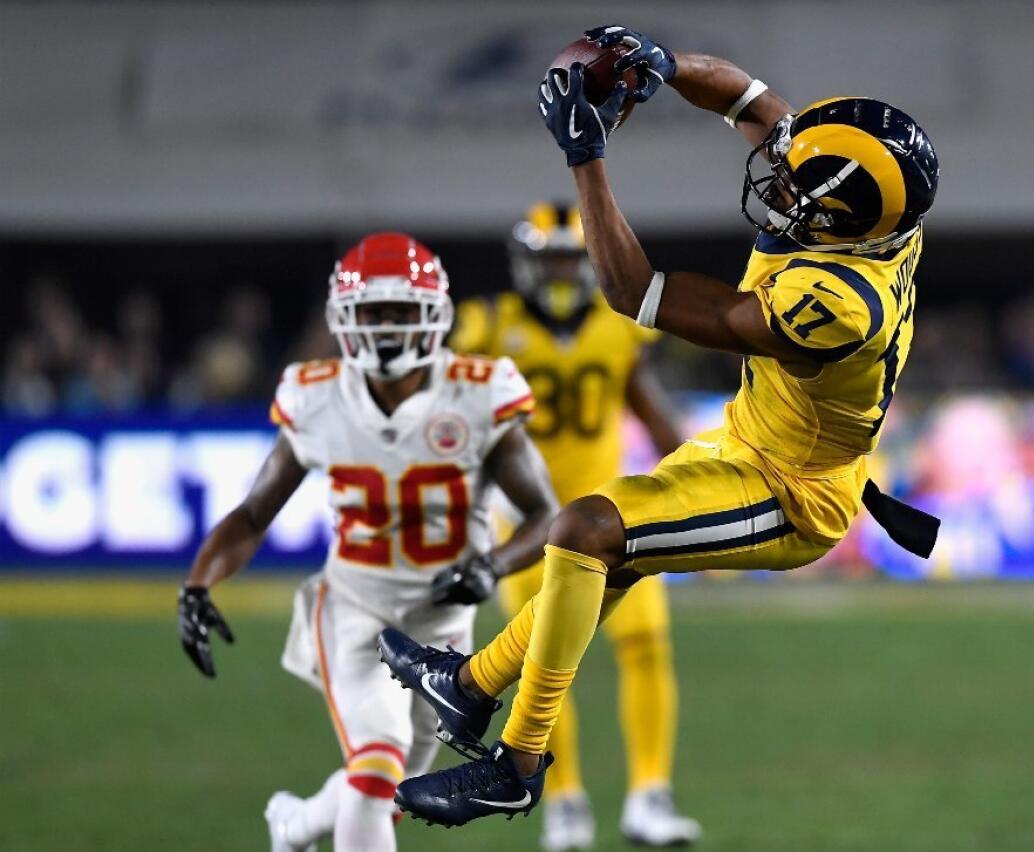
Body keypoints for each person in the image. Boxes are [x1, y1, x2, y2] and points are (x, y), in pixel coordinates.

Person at [379, 24, 941, 828]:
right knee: (606, 555)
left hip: (790, 491)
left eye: (797, 193)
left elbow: (636, 292)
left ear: (841, 221)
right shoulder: (873, 218)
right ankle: (465, 689)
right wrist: (662, 65)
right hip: (750, 440)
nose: (777, 186)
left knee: (585, 532)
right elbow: (748, 99)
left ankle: (517, 766)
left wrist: (585, 156)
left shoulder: (838, 306)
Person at [177, 233, 558, 851]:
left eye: (401, 311)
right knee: (377, 771)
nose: (385, 327)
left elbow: (546, 515)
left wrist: (490, 565)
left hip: (444, 626)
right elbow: (253, 514)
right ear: (343, 318)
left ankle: (296, 824)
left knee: (394, 787)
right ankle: (302, 824)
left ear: (433, 314)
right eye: (372, 312)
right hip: (357, 612)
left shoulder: (478, 391)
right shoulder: (319, 395)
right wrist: (196, 584)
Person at [451, 202, 699, 849]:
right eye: (551, 257)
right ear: (527, 263)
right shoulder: (487, 327)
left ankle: (650, 794)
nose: (562, 269)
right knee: (542, 663)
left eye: (571, 256)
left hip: (613, 519)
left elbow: (654, 416)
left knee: (645, 647)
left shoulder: (617, 328)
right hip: (531, 525)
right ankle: (562, 803)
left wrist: (698, 485)